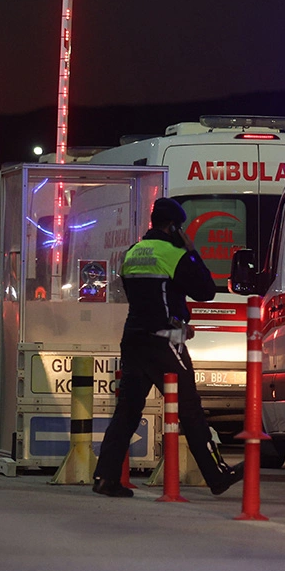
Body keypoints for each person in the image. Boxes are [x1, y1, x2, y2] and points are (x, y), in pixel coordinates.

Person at [92, 197, 244, 497]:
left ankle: (105, 477)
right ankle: (216, 474)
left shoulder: (134, 252)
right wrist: (191, 252)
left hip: (134, 337)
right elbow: (204, 291)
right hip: (165, 340)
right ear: (173, 226)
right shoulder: (173, 253)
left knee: (127, 411)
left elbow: (146, 296)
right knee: (191, 410)